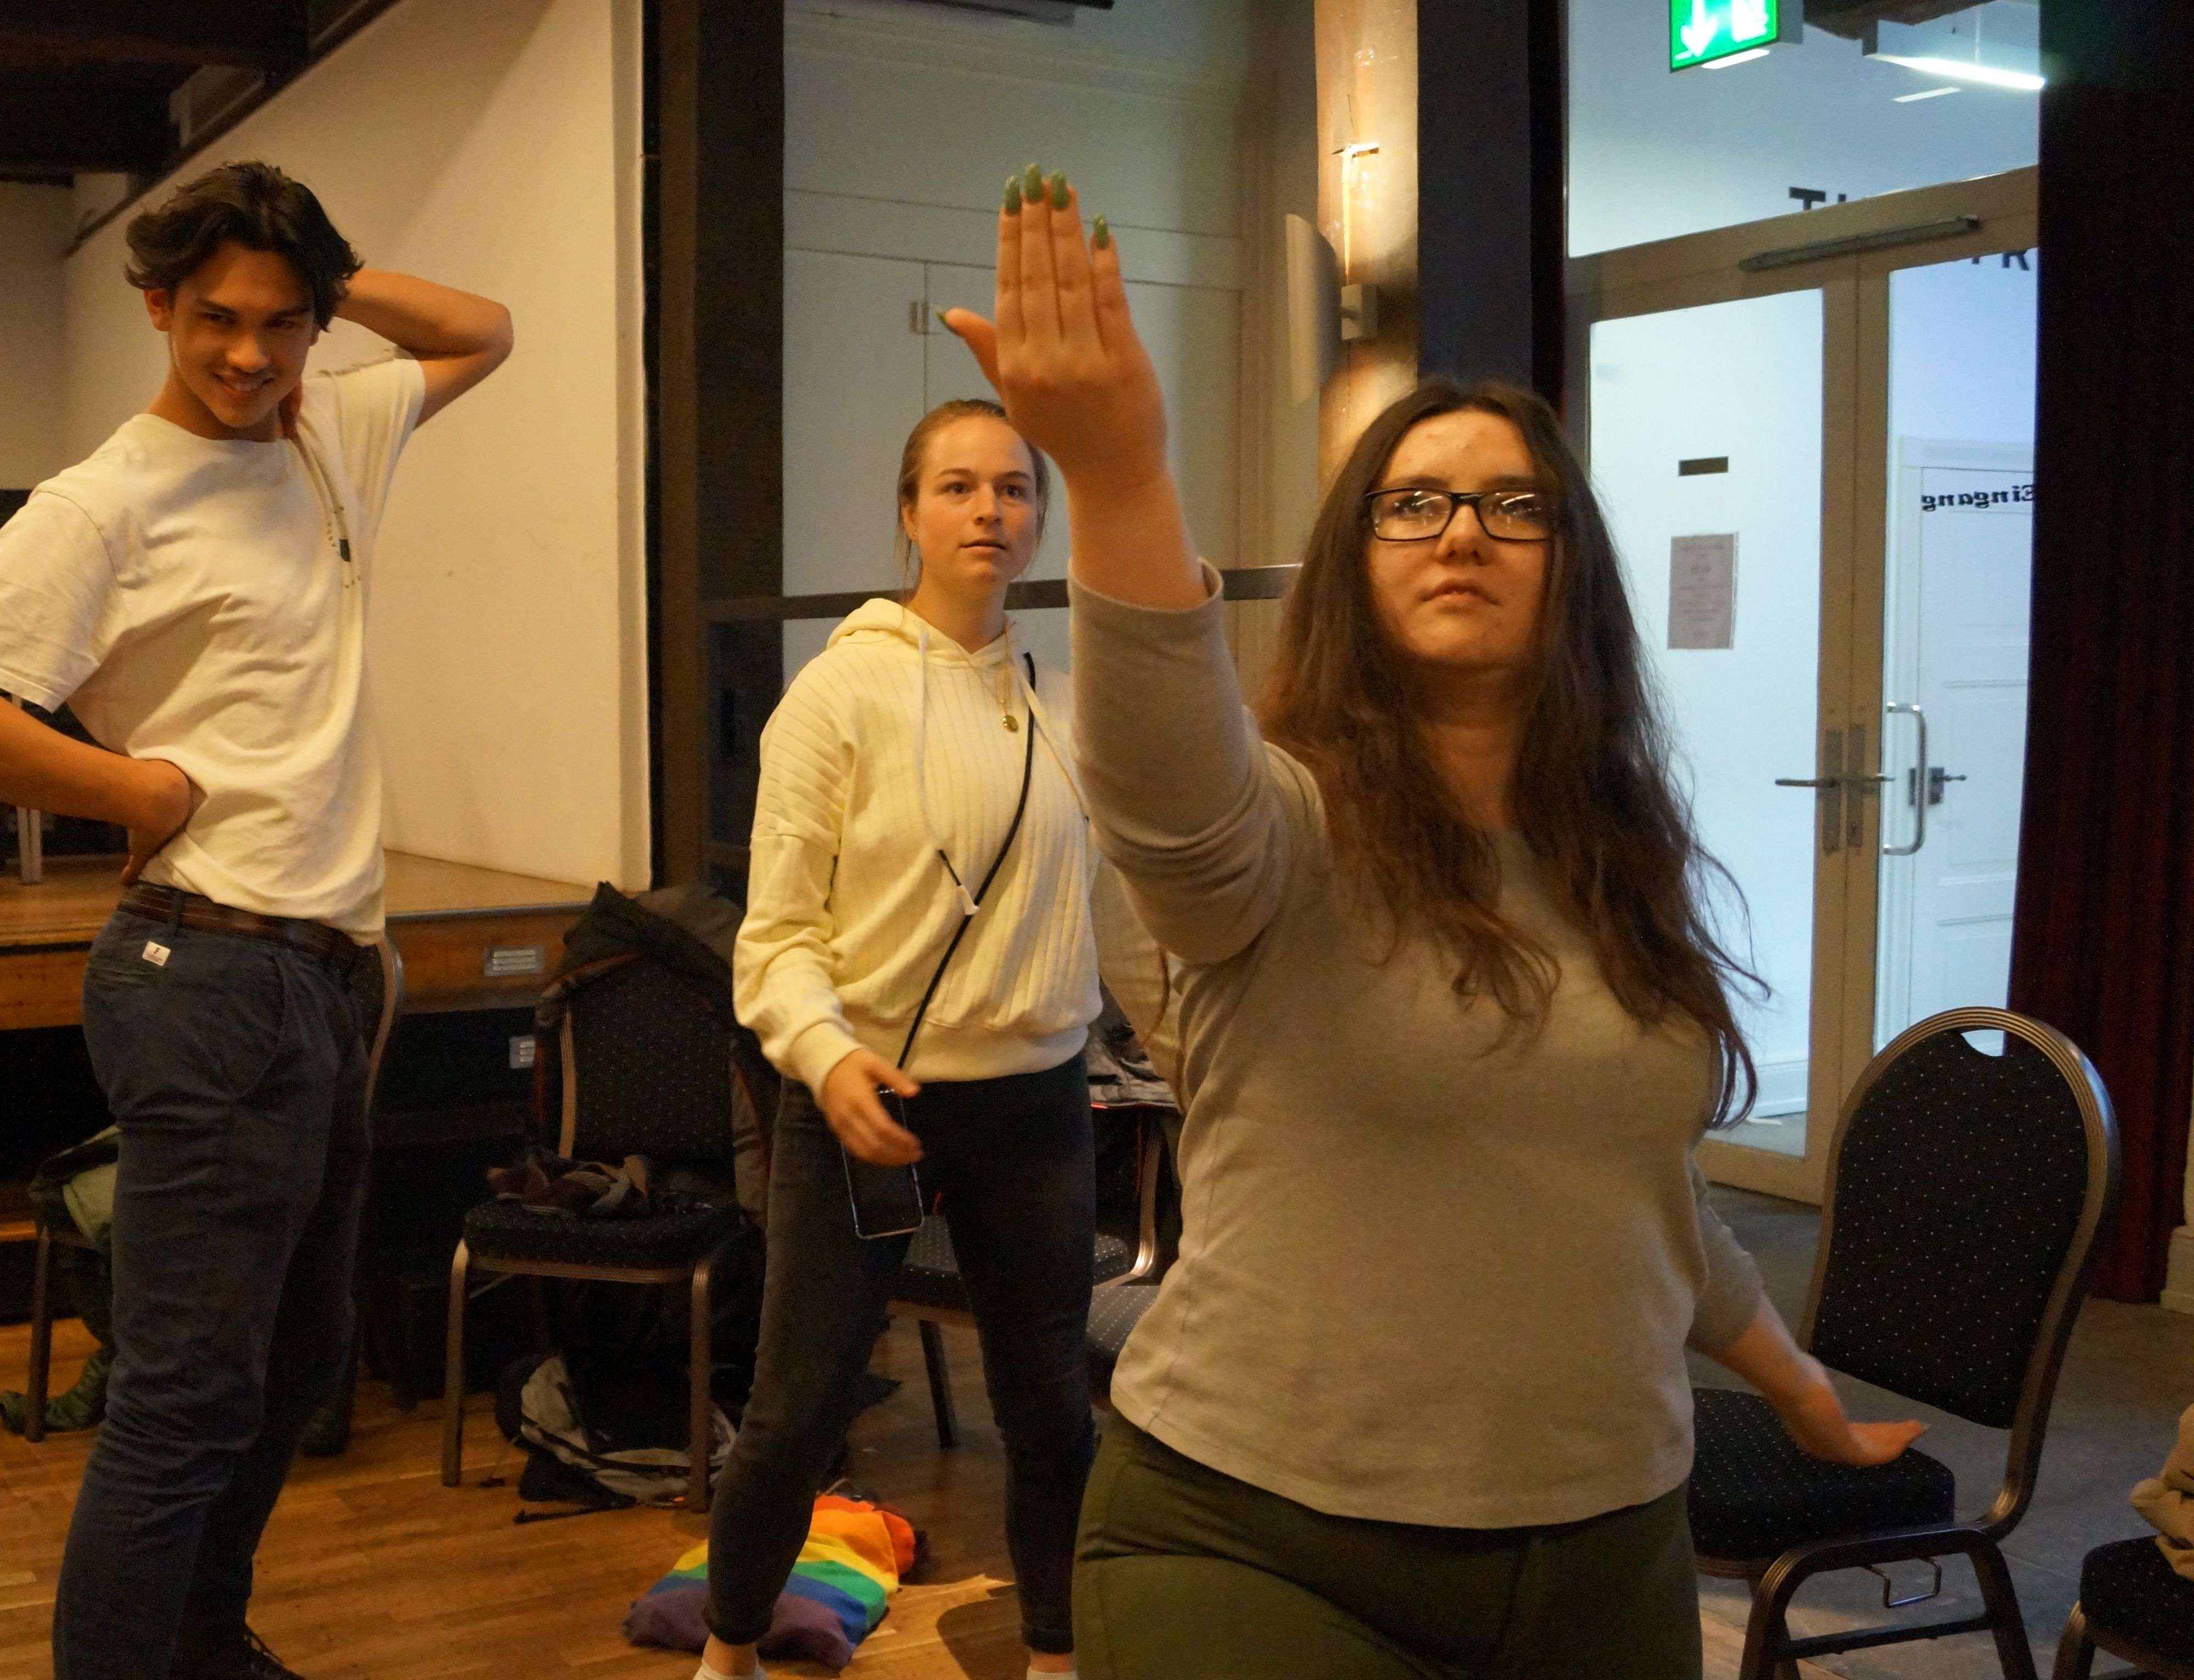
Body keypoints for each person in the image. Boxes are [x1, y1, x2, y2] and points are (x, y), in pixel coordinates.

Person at [939, 169, 1924, 1675]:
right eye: (1414, 504)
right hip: (1258, 1536)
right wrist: (1122, 475)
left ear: (1570, 567)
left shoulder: (1618, 859)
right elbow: (1163, 791)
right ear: (1357, 560)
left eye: (1513, 506)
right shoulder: (1279, 825)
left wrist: (1793, 1385)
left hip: (1607, 1539)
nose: (1463, 531)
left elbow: (1636, 1182)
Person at [0, 160, 511, 1680]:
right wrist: (129, 787)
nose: (248, 354)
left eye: (284, 322)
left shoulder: (331, 429)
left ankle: (206, 1647)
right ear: (156, 306)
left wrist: (323, 270)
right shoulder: (107, 500)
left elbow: (482, 329)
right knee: (184, 1401)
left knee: (290, 1373)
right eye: (216, 317)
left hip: (327, 974)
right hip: (207, 968)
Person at [710, 398, 1102, 1680]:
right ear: (908, 513)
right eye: (957, 486)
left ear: (1037, 517)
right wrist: (825, 1058)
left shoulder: (1062, 708)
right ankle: (725, 1650)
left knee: (1049, 1404)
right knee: (798, 1405)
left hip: (1037, 1100)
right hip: (868, 1094)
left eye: (1013, 488)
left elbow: (1109, 914)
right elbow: (775, 936)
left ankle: (1054, 1653)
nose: (989, 509)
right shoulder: (837, 694)